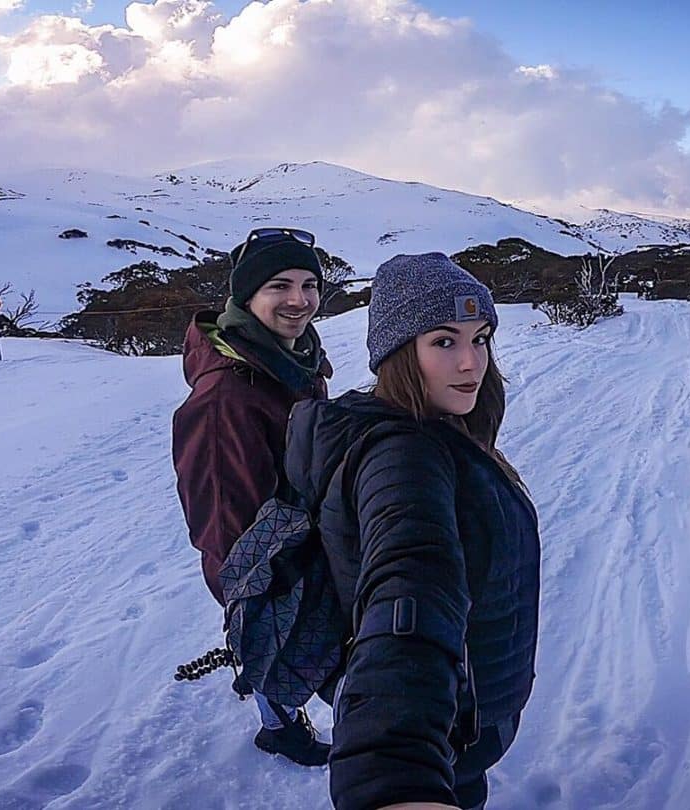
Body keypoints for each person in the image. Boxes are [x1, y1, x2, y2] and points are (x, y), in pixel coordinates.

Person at [285, 253, 541, 810]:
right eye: (444, 342)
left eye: (482, 337)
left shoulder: (432, 426)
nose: (472, 363)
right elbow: (412, 581)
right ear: (400, 352)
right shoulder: (404, 456)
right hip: (450, 721)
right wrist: (392, 770)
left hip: (465, 711)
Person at [171, 227, 333, 766]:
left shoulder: (291, 358)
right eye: (279, 285)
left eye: (309, 284)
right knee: (268, 647)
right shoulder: (226, 395)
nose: (299, 300)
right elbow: (221, 521)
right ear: (245, 297)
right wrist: (260, 587)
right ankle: (279, 726)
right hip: (266, 564)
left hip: (300, 539)